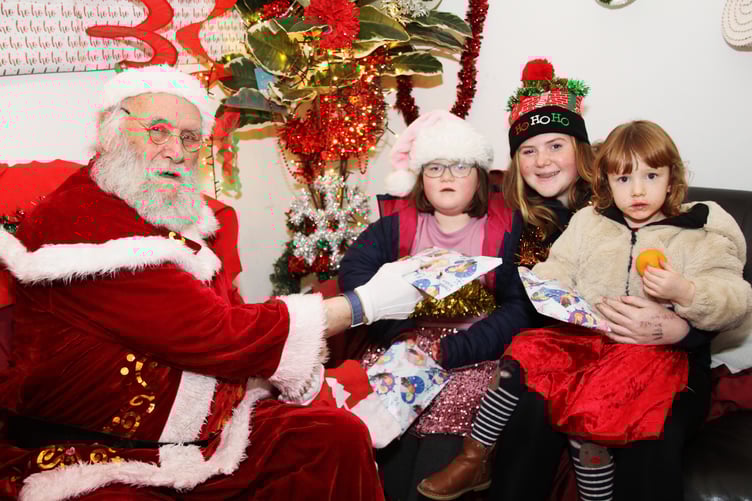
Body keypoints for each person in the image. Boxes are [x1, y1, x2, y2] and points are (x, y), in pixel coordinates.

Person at [0, 65, 424, 501]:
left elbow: (232, 311)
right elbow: (214, 333)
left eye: (188, 138)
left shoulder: (174, 213)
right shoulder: (81, 222)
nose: (175, 151)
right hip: (95, 454)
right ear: (110, 133)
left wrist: (315, 376)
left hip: (209, 436)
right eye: (157, 131)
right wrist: (363, 305)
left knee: (333, 436)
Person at [423, 119, 752, 501]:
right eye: (624, 179)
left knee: (597, 420)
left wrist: (686, 293)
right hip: (587, 349)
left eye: (651, 176)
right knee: (521, 365)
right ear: (607, 182)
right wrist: (543, 284)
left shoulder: (700, 229)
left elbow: (734, 298)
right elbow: (559, 268)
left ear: (672, 178)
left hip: (657, 361)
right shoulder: (590, 222)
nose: (639, 190)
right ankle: (475, 456)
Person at [338, 109, 534, 501]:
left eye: (460, 167)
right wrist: (397, 333)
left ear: (479, 176)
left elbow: (520, 306)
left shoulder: (510, 228)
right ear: (420, 178)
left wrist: (454, 349)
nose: (446, 177)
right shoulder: (396, 225)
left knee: (430, 478)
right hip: (401, 347)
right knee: (384, 460)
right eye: (435, 167)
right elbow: (353, 274)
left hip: (471, 355)